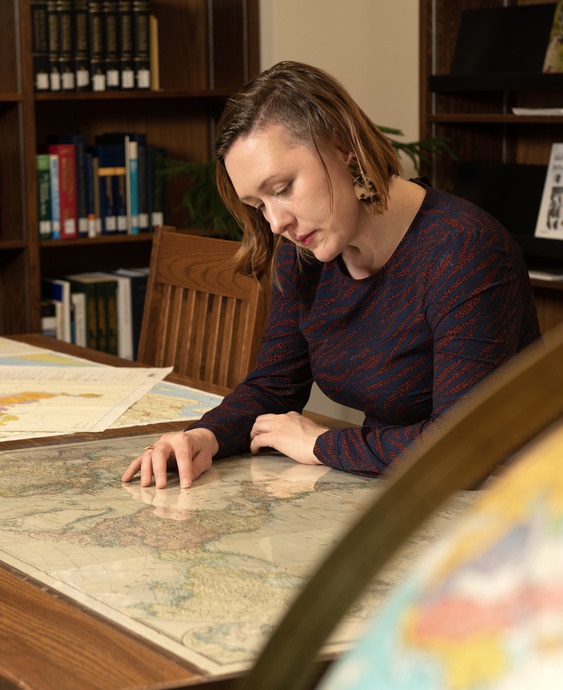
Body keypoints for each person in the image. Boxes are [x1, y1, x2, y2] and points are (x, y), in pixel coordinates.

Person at [122, 60, 541, 489]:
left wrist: (322, 444)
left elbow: (462, 449)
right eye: (258, 205)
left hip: (516, 502)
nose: (275, 222)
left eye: (283, 189)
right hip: (397, 491)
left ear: (344, 147)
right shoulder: (305, 254)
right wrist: (203, 436)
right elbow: (274, 386)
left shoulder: (465, 251)